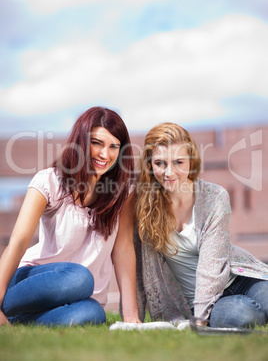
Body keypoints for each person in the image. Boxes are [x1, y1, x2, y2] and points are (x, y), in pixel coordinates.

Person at [117, 122, 268, 328]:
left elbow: (211, 267)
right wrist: (132, 316)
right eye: (160, 163)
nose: (169, 172)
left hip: (237, 279)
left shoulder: (214, 197)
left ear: (191, 161)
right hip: (203, 304)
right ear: (149, 164)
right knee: (240, 316)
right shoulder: (139, 202)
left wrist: (200, 320)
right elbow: (129, 256)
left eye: (178, 162)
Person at [0, 106, 136, 326]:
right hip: (34, 282)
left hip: (82, 296)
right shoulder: (49, 181)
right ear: (81, 142)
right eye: (97, 143)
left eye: (114, 147)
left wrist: (131, 317)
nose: (105, 154)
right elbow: (18, 242)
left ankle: (17, 322)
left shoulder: (124, 191)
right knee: (79, 277)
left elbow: (123, 249)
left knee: (93, 313)